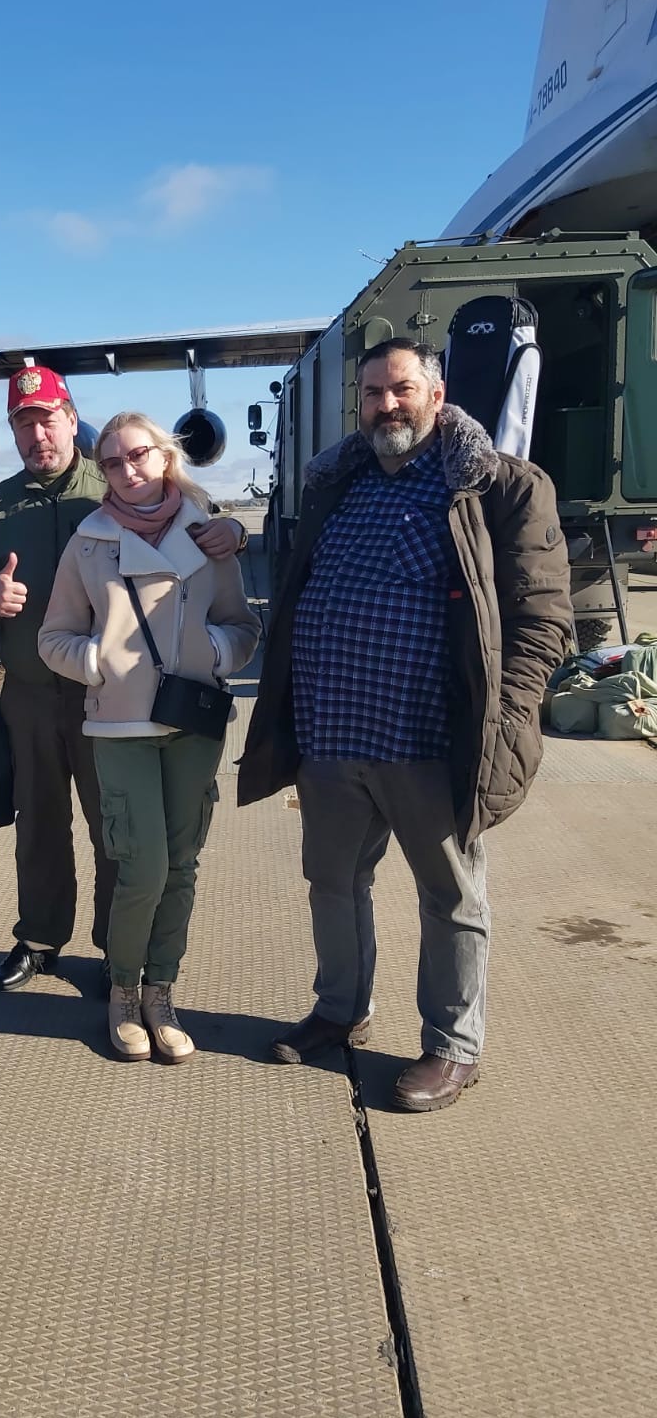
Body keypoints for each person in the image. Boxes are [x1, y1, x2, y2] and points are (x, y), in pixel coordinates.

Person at [237, 339, 572, 1110]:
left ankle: (452, 1048)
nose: (385, 405)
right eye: (372, 393)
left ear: (436, 393)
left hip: (428, 741)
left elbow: (542, 618)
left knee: (451, 897)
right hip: (331, 736)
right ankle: (339, 1010)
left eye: (401, 390)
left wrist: (505, 716)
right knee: (332, 882)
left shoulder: (496, 486)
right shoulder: (338, 483)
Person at [0, 367, 247, 992]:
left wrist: (236, 530)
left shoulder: (112, 487)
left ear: (70, 418)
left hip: (113, 694)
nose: (37, 435)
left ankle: (119, 949)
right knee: (38, 818)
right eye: (23, 424)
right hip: (33, 689)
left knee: (117, 828)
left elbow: (191, 521)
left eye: (46, 419)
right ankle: (40, 937)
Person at [38, 412, 261, 1060]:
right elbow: (53, 637)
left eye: (138, 455)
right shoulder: (90, 542)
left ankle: (163, 990)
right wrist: (100, 662)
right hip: (121, 725)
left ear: (165, 457)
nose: (127, 470)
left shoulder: (210, 534)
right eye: (112, 462)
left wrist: (212, 652)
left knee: (183, 865)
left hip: (193, 719)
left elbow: (242, 626)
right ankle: (124, 990)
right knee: (143, 867)